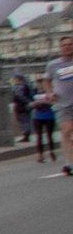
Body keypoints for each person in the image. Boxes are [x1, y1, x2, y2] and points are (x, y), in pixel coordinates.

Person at [34, 50, 63, 166]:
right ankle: (40, 154)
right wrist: (33, 103)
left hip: (49, 115)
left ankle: (51, 151)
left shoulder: (51, 91)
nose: (39, 85)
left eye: (40, 83)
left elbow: (53, 101)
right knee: (39, 136)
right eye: (38, 83)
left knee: (49, 135)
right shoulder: (33, 91)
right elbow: (29, 102)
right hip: (37, 116)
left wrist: (49, 99)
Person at [51, 40, 73, 174]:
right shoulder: (53, 65)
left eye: (70, 44)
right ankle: (69, 163)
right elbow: (47, 81)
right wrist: (49, 93)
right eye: (64, 45)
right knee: (66, 131)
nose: (67, 47)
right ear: (60, 48)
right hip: (63, 104)